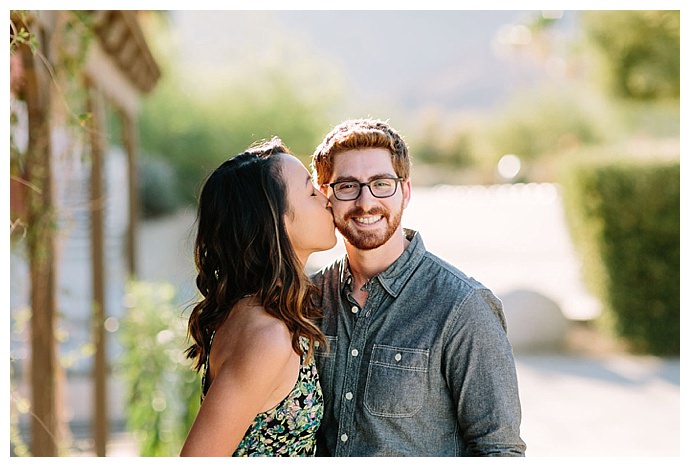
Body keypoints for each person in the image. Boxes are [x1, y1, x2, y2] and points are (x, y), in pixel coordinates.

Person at [309, 118, 527, 456]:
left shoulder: (462, 307)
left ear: (405, 192)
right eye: (348, 186)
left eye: (381, 183)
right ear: (326, 196)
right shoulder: (308, 298)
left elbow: (499, 450)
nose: (366, 202)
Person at [180, 138, 337, 456]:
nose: (327, 199)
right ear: (275, 221)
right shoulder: (266, 334)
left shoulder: (264, 311)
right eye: (310, 192)